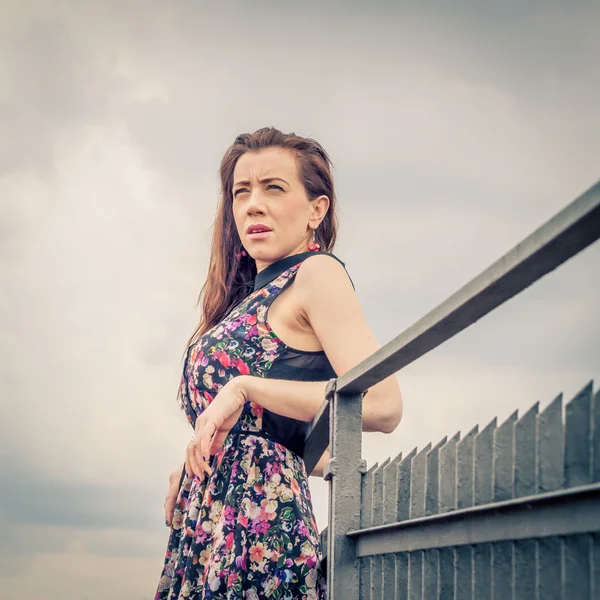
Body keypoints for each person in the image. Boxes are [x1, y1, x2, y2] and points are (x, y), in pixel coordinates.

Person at [155, 127, 403, 599]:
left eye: (274, 188)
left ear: (317, 209)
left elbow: (384, 404)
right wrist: (200, 459)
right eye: (241, 192)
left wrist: (246, 388)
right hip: (206, 527)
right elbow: (281, 435)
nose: (252, 204)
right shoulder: (241, 300)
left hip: (260, 529)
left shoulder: (316, 274)